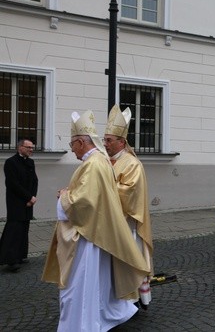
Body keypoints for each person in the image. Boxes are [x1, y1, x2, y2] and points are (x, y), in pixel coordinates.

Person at [42, 110, 149, 331]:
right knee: (96, 281)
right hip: (99, 228)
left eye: (72, 145)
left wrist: (64, 196)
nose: (71, 150)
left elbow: (84, 201)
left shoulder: (94, 164)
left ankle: (82, 324)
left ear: (81, 142)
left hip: (91, 233)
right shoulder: (101, 160)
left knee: (80, 283)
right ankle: (98, 316)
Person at [104, 104, 154, 310]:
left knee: (129, 261)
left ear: (121, 141)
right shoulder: (107, 161)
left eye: (109, 140)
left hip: (127, 223)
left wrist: (101, 188)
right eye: (104, 140)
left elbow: (129, 192)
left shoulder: (131, 163)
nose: (104, 144)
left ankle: (132, 299)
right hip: (110, 223)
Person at [0, 139, 38, 272]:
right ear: (20, 147)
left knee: (24, 227)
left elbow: (34, 181)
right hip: (16, 201)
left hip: (29, 201)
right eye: (29, 147)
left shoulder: (30, 162)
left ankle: (21, 255)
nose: (31, 150)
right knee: (14, 229)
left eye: (32, 148)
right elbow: (13, 184)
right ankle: (10, 260)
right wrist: (28, 197)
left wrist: (32, 197)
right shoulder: (11, 162)